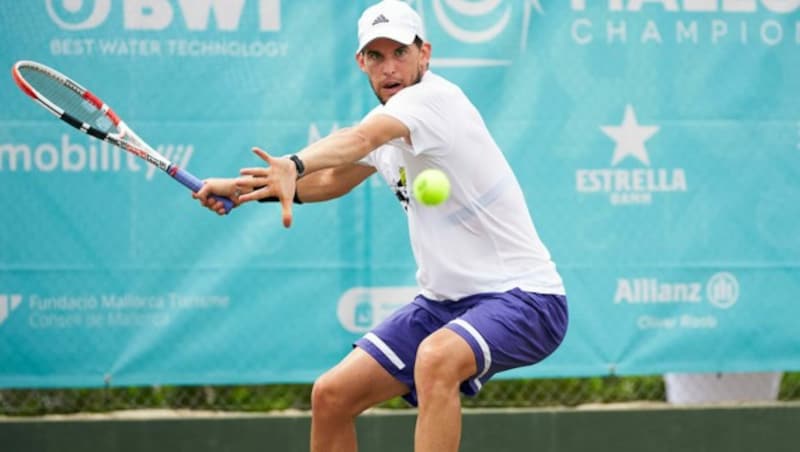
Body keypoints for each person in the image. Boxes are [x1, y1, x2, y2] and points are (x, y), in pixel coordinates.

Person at [194, 1, 568, 451]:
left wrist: (292, 163)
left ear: (424, 54)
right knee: (331, 396)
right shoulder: (389, 122)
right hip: (443, 304)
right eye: (376, 56)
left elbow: (359, 140)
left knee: (436, 358)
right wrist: (243, 189)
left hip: (526, 299)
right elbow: (333, 177)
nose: (389, 68)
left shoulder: (432, 101)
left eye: (400, 53)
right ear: (361, 62)